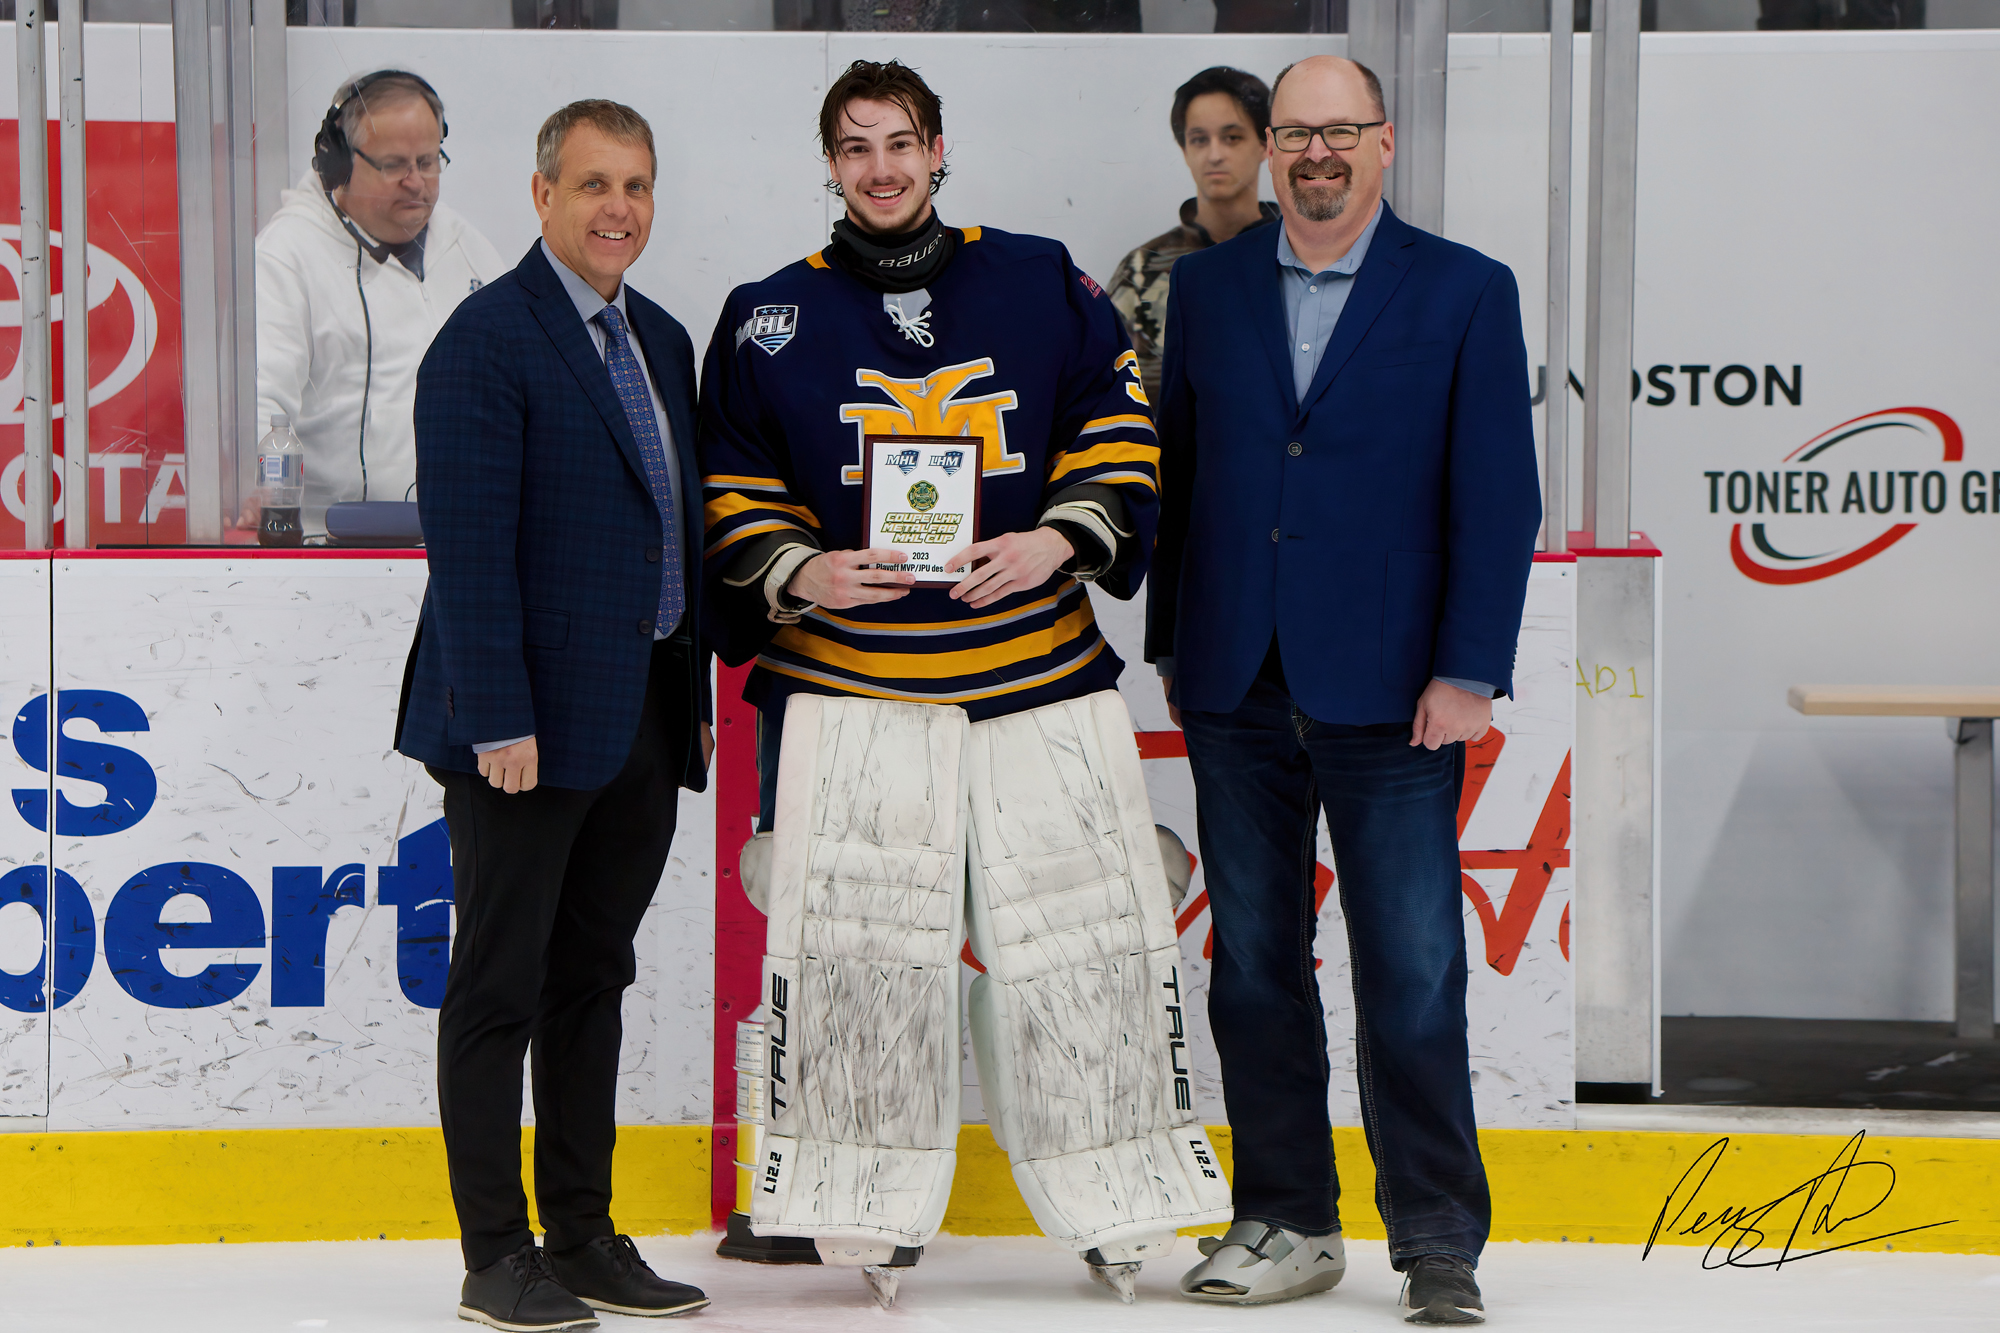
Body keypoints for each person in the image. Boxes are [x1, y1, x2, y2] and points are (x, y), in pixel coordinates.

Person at [699, 59, 1227, 1306]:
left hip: (1037, 677)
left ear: (940, 150)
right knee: (859, 957)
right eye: (854, 148)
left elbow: (1116, 417)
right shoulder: (767, 314)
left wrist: (1059, 537)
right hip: (846, 692)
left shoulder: (1040, 277)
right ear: (828, 164)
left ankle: (1127, 1198)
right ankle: (855, 1209)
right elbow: (731, 474)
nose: (879, 168)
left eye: (899, 143)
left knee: (1087, 942)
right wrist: (804, 569)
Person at [1147, 55, 1540, 1324]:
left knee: (1413, 969)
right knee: (1253, 966)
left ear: (1381, 145)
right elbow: (1184, 473)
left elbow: (1495, 493)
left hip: (1394, 691)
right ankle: (1286, 1218)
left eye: (1339, 132)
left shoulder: (1467, 291)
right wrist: (1173, 643)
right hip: (1234, 681)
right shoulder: (1203, 291)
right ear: (1269, 148)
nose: (1314, 153)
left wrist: (1469, 669)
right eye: (1293, 132)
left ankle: (1434, 1238)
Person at [395, 99, 713, 1332]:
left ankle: (582, 1233)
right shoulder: (487, 339)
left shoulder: (662, 340)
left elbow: (671, 532)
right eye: (591, 185)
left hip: (639, 717)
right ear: (540, 196)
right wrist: (499, 721)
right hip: (519, 731)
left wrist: (687, 702)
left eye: (634, 184)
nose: (616, 208)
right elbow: (468, 556)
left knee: (594, 977)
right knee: (500, 984)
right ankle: (494, 1256)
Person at [255, 70, 503, 536]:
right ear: (339, 164)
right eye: (394, 165)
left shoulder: (466, 244)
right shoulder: (285, 256)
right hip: (328, 550)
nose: (417, 183)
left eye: (429, 161)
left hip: (462, 542)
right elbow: (262, 412)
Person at [1106, 65, 1279, 405]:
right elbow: (1103, 385)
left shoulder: (1299, 255)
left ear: (1265, 145)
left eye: (1232, 137)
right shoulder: (1143, 268)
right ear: (1184, 150)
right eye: (1199, 139)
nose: (1215, 154)